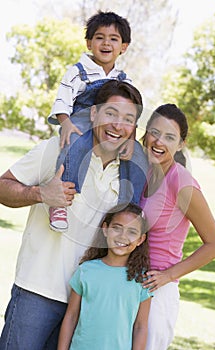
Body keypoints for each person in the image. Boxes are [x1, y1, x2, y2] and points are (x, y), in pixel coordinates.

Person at [0, 80, 148, 350]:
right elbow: (3, 186)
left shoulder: (129, 172)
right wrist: (40, 193)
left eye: (128, 119)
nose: (118, 125)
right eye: (111, 113)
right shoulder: (57, 150)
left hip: (88, 301)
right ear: (93, 114)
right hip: (38, 291)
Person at [139, 103, 215, 350]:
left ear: (181, 144)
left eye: (169, 137)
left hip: (158, 293)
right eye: (155, 132)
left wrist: (169, 275)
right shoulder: (146, 173)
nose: (159, 142)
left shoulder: (182, 181)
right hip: (133, 285)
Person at [47, 10, 141, 232]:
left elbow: (132, 111)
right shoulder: (78, 72)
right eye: (99, 37)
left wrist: (131, 139)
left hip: (111, 127)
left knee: (136, 153)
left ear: (124, 47)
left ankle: (132, 207)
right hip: (79, 120)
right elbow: (63, 99)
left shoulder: (123, 79)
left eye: (113, 39)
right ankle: (61, 199)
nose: (106, 43)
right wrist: (66, 123)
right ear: (89, 43)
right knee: (76, 142)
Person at [57, 202, 153, 350]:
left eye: (132, 232)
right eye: (117, 228)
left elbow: (140, 326)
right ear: (105, 229)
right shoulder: (86, 271)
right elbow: (71, 316)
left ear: (140, 239)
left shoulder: (141, 280)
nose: (123, 236)